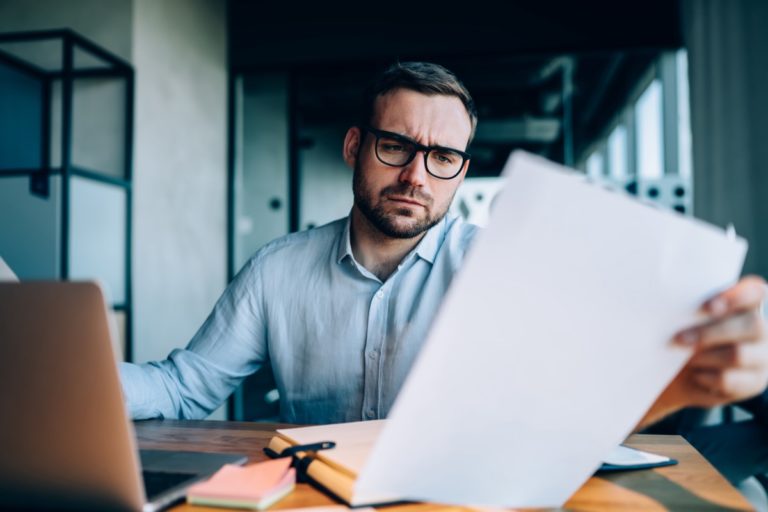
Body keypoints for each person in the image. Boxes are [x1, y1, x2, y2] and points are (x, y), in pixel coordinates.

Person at [120, 61, 768, 429]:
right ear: (354, 147)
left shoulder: (502, 268)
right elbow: (181, 389)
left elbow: (591, 380)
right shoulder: (275, 272)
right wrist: (71, 377)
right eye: (395, 146)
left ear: (462, 170)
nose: (414, 176)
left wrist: (714, 356)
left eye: (443, 158)